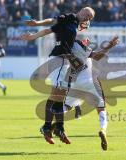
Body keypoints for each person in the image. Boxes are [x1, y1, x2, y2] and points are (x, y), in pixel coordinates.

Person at [21, 14, 92, 144]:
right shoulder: (69, 19)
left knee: (58, 95)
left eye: (89, 18)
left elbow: (50, 25)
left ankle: (52, 127)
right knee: (58, 95)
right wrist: (36, 26)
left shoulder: (71, 26)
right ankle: (54, 127)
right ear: (83, 14)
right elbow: (50, 23)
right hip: (59, 59)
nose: (87, 19)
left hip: (62, 61)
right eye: (87, 16)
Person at [54, 36, 119, 151]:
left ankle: (55, 122)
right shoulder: (79, 46)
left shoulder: (64, 48)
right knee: (101, 109)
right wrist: (109, 46)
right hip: (90, 83)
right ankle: (103, 130)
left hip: (75, 83)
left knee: (67, 106)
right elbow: (97, 56)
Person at [25, 7, 95, 75]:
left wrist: (33, 36)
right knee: (59, 85)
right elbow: (53, 21)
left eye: (90, 18)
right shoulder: (70, 17)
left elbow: (48, 31)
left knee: (59, 85)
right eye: (88, 14)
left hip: (63, 58)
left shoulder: (75, 24)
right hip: (59, 57)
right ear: (82, 10)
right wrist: (37, 23)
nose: (87, 18)